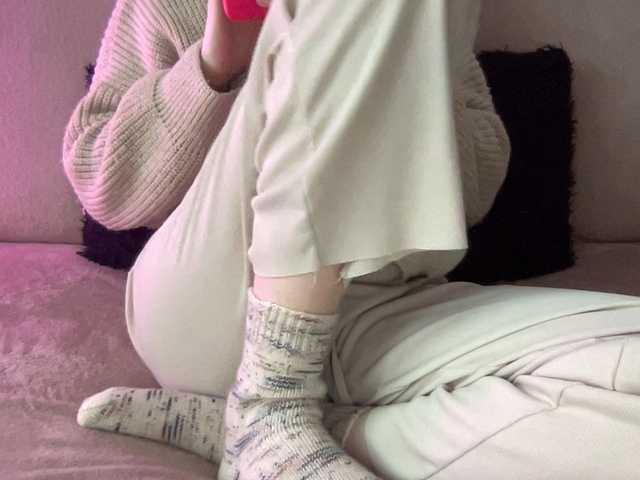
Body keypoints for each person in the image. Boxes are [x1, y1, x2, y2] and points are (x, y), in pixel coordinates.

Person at [65, 1, 640, 479]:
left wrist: (392, 81)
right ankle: (271, 400)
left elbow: (475, 194)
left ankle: (267, 430)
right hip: (210, 298)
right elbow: (105, 190)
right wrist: (216, 65)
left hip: (380, 298)